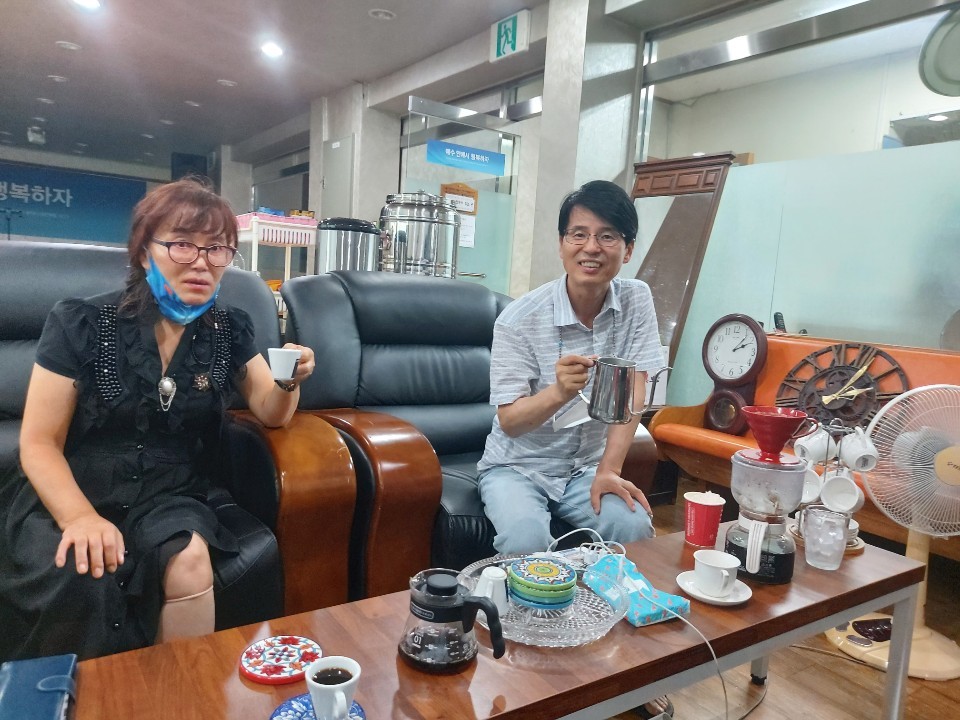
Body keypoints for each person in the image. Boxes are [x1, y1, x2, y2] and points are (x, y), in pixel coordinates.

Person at [0, 178, 314, 662]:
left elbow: (271, 411)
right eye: (183, 244)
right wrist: (80, 517)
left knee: (189, 560)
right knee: (80, 571)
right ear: (145, 252)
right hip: (77, 485)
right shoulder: (81, 322)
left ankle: (180, 692)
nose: (202, 262)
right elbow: (39, 442)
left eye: (217, 249)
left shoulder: (228, 328)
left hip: (170, 489)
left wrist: (289, 380)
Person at [478, 179, 663, 554]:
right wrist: (560, 392)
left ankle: (608, 596)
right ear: (562, 244)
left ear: (628, 249)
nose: (591, 247)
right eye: (579, 234)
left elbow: (636, 388)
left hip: (585, 468)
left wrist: (609, 470)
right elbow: (510, 422)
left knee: (633, 527)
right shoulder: (518, 319)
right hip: (517, 466)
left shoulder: (636, 299)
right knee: (525, 539)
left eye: (607, 236)